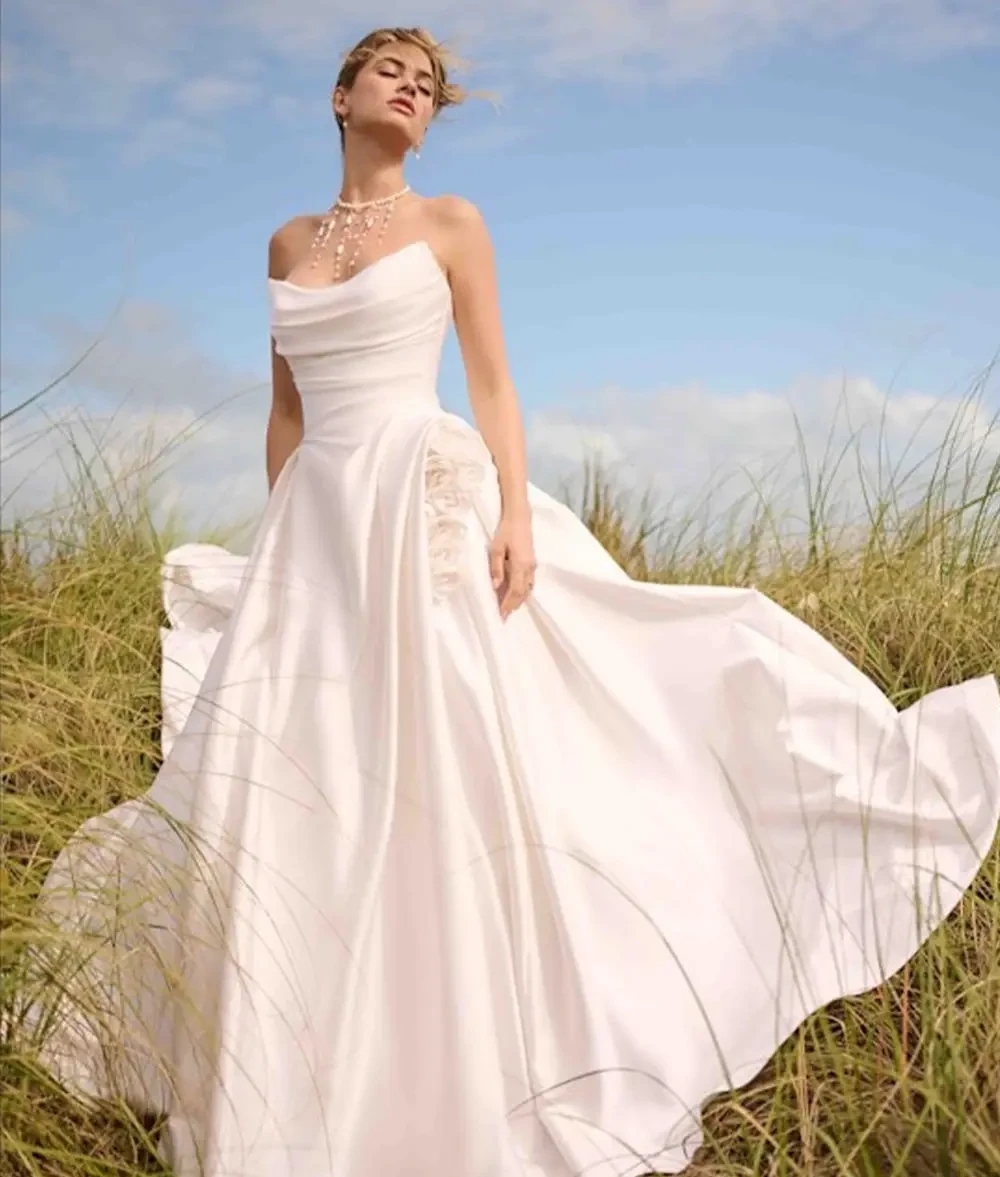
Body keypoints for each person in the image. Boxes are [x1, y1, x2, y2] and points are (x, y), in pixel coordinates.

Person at [32, 26, 1000, 1177]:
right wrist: (284, 540)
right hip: (315, 533)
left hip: (420, 503)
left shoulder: (453, 226)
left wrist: (511, 513)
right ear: (341, 95)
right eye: (391, 71)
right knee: (299, 774)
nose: (412, 90)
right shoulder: (287, 241)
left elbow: (491, 378)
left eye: (429, 85)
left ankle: (458, 1054)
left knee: (445, 754)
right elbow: (285, 413)